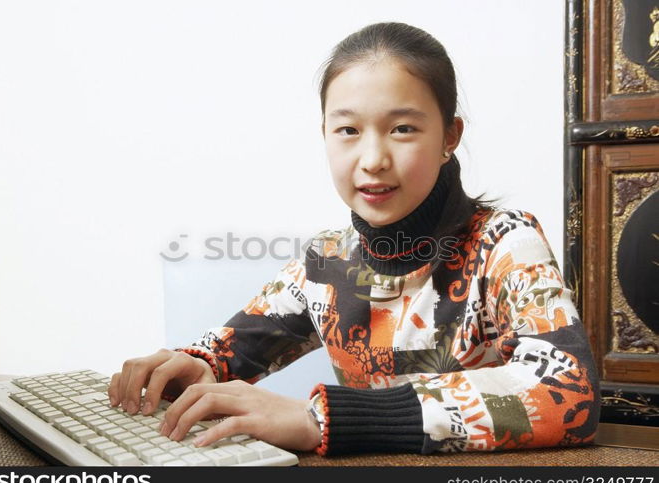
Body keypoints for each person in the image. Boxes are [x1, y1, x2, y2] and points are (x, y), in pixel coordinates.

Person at [108, 21, 600, 456]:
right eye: (347, 130)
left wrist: (318, 419)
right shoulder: (327, 261)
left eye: (402, 128)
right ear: (323, 132)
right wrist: (195, 366)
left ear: (450, 136)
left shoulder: (505, 242)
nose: (372, 159)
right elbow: (234, 349)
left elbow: (568, 392)